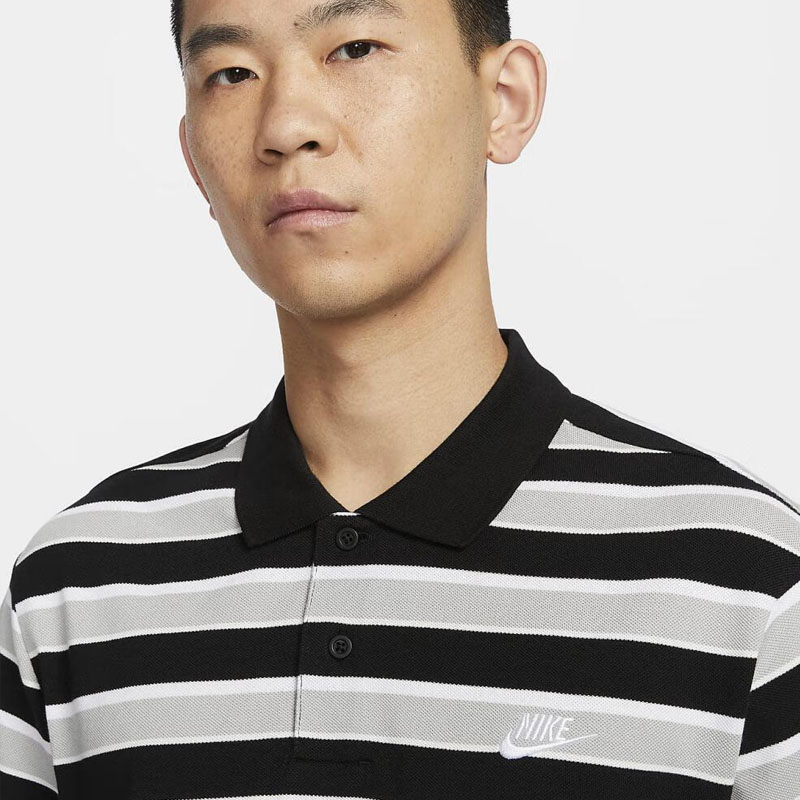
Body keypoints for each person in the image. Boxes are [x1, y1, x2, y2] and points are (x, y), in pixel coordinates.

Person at [2, 1, 797, 798]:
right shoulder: (72, 593)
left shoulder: (745, 587)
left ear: (505, 101)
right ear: (192, 158)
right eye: (232, 73)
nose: (287, 126)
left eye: (355, 48)